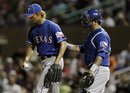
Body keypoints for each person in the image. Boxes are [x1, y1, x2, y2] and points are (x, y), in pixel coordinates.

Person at [22, 3, 67, 93]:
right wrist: (26, 59)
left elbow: (64, 44)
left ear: (39, 14)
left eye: (32, 16)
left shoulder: (52, 26)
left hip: (54, 59)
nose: (30, 18)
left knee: (40, 89)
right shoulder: (32, 30)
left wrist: (56, 63)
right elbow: (31, 46)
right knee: (54, 89)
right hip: (44, 61)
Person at [67, 9, 111, 93]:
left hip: (99, 69)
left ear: (95, 21)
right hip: (95, 69)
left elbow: (101, 55)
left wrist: (91, 71)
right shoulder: (92, 33)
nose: (84, 22)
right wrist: (66, 45)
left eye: (87, 20)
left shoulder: (101, 35)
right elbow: (82, 49)